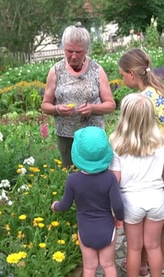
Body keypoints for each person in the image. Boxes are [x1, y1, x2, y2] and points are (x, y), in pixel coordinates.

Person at [118, 48, 164, 277]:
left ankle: (142, 264)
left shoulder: (143, 99)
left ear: (131, 74)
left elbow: (139, 132)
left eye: (121, 75)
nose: (121, 79)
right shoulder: (158, 90)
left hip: (157, 157)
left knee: (150, 216)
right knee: (160, 211)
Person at [109, 93, 164, 277]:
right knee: (154, 246)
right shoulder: (160, 141)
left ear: (124, 116)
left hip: (131, 202)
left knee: (134, 247)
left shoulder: (116, 141)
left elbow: (116, 179)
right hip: (155, 199)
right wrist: (163, 189)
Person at [51, 126, 124, 277]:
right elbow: (117, 205)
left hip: (85, 230)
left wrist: (55, 205)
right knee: (108, 265)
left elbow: (65, 205)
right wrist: (119, 219)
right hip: (107, 229)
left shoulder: (73, 180)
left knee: (89, 268)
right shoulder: (109, 179)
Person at [41, 22, 116, 168]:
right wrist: (57, 110)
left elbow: (111, 105)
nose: (74, 56)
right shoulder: (56, 70)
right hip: (66, 136)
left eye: (79, 52)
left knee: (96, 175)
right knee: (71, 177)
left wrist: (93, 108)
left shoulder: (96, 70)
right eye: (69, 51)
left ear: (87, 50)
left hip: (92, 136)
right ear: (63, 48)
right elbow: (45, 105)